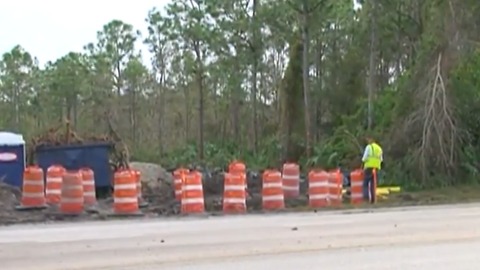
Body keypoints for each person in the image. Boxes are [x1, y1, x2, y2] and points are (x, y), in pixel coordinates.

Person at [361, 136, 383, 203]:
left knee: (365, 183)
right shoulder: (379, 148)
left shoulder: (369, 147)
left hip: (369, 167)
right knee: (373, 184)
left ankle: (366, 198)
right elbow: (381, 159)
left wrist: (364, 162)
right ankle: (373, 199)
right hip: (376, 167)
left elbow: (364, 158)